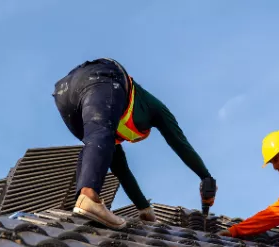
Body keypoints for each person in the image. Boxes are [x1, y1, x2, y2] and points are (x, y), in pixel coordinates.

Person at [52, 57, 217, 229]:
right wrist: (206, 177)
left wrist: (144, 208)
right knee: (101, 135)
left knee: (94, 147)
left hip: (65, 94)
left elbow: (122, 171)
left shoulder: (109, 131)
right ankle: (88, 196)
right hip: (103, 76)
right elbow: (180, 143)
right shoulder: (154, 108)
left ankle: (80, 204)